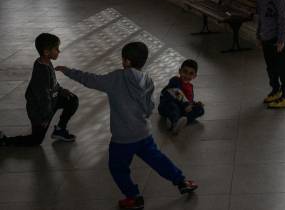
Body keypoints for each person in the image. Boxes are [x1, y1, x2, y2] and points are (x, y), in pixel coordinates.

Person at [55, 42, 197, 210]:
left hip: (122, 139)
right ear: (143, 61)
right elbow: (149, 107)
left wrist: (68, 71)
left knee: (117, 167)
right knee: (158, 159)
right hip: (143, 133)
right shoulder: (147, 79)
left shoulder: (115, 78)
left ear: (126, 61)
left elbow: (90, 79)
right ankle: (181, 181)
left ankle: (134, 197)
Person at [0, 33, 78, 146]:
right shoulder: (41, 71)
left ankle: (60, 130)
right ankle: (4, 141)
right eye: (56, 49)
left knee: (72, 99)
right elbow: (43, 97)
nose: (59, 51)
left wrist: (61, 90)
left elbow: (53, 84)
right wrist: (46, 117)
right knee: (36, 140)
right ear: (46, 52)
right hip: (39, 111)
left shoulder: (46, 61)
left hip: (51, 101)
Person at [256, 0, 285, 108]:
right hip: (266, 39)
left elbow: (283, 21)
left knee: (283, 69)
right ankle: (276, 90)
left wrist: (281, 40)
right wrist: (259, 35)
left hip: (278, 41)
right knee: (271, 68)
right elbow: (261, 19)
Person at [158, 59, 204, 135]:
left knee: (200, 110)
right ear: (180, 71)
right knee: (173, 106)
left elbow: (189, 100)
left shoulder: (190, 87)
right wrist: (186, 105)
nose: (187, 75)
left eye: (191, 73)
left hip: (181, 109)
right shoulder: (175, 80)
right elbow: (176, 92)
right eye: (185, 72)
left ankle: (178, 121)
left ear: (195, 76)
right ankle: (175, 123)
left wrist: (194, 104)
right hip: (167, 105)